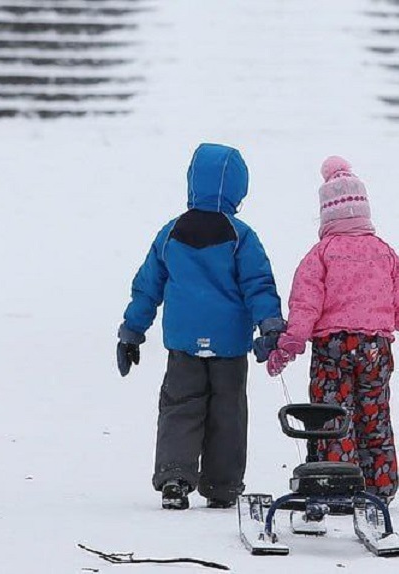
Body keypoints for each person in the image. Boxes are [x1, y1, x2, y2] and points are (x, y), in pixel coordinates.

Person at [116, 143, 285, 510]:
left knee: (180, 407)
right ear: (240, 189)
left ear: (192, 182)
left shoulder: (171, 233)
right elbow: (258, 284)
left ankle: (175, 477)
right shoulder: (241, 236)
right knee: (229, 413)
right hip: (229, 346)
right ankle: (222, 486)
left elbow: (148, 286)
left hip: (183, 343)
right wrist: (269, 326)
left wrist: (132, 330)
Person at [265, 156, 399, 503]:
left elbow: (305, 305)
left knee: (334, 417)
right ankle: (379, 487)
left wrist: (289, 345)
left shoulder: (320, 255)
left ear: (326, 214)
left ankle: (336, 483)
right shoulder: (385, 253)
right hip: (376, 348)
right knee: (374, 416)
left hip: (332, 349)